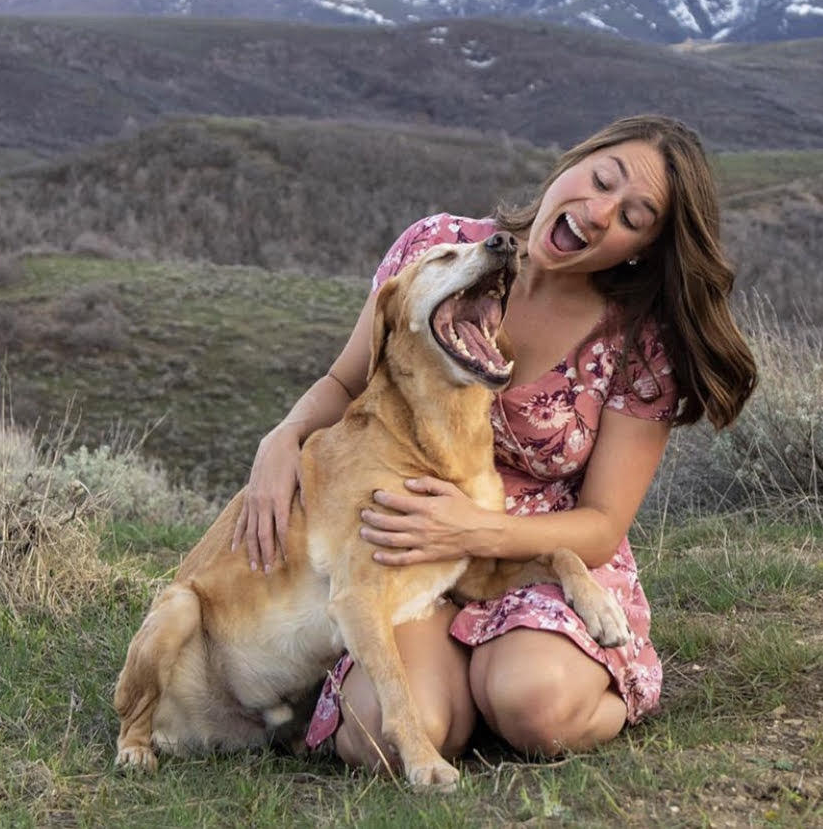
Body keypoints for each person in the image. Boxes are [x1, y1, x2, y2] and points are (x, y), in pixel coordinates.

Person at [232, 114, 757, 768]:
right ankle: (459, 683)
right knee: (383, 735)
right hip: (406, 537)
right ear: (572, 161)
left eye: (633, 215)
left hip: (537, 547)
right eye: (599, 179)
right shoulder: (439, 249)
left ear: (640, 249)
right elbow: (346, 381)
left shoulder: (637, 345)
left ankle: (579, 674)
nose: (597, 212)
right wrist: (281, 437)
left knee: (537, 708)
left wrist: (473, 530)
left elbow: (598, 524)